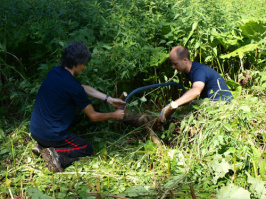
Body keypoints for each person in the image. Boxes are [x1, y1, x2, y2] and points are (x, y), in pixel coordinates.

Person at [29, 41, 126, 172]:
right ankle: (56, 155)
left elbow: (81, 88)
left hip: (35, 131)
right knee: (86, 148)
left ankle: (41, 146)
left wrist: (109, 99)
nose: (84, 68)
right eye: (83, 64)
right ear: (77, 63)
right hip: (51, 135)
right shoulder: (74, 88)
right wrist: (114, 115)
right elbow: (93, 116)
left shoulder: (55, 72)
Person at [161, 46, 233, 112]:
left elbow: (196, 91)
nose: (173, 67)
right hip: (217, 102)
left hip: (224, 103)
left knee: (193, 103)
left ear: (185, 60)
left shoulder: (198, 71)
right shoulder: (191, 70)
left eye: (175, 64)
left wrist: (173, 105)